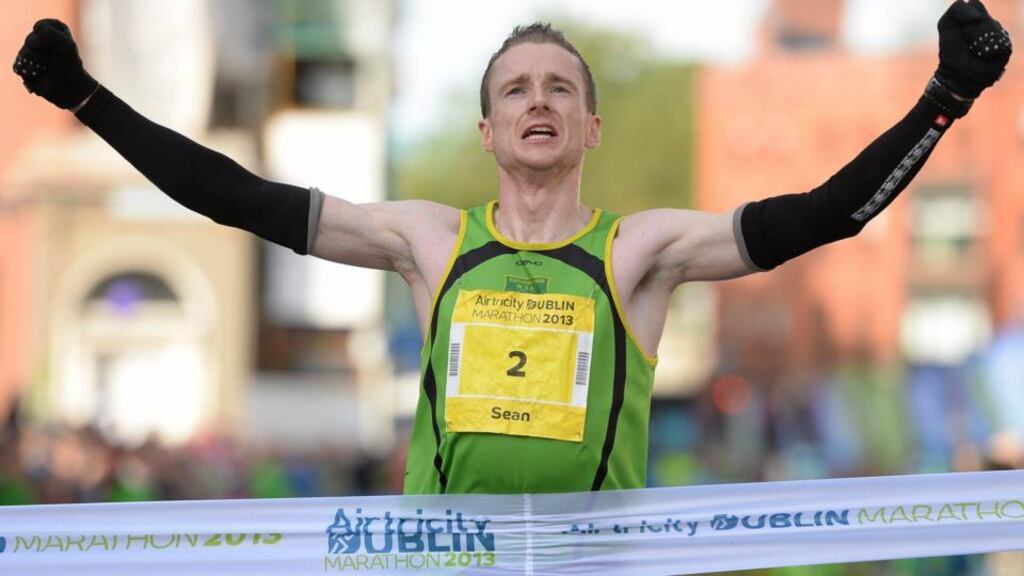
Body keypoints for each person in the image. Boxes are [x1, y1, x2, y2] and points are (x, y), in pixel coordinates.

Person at [13, 1, 1012, 495]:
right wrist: (88, 103)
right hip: (445, 561)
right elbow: (235, 196)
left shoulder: (641, 253)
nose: (538, 101)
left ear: (590, 129)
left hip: (593, 560)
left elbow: (825, 215)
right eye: (514, 90)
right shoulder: (425, 241)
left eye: (560, 89)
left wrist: (944, 101)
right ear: (487, 131)